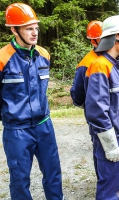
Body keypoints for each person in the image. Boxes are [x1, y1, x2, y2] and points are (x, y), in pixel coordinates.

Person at [0, 3, 64, 199]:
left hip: (44, 125)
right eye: (29, 28)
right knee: (19, 180)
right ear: (14, 29)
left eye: (36, 27)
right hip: (16, 131)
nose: (35, 32)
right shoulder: (2, 58)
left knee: (53, 175)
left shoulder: (44, 55)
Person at [84, 15, 119, 199]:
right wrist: (111, 145)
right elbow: (97, 111)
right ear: (116, 38)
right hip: (112, 137)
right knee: (110, 189)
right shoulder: (99, 66)